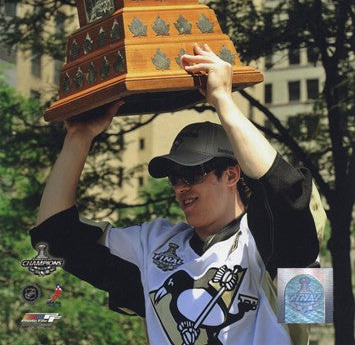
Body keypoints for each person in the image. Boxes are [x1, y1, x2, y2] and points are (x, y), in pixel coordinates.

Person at [30, 43, 325, 344]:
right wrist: (79, 138)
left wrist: (222, 100)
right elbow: (53, 239)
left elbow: (290, 194)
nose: (182, 187)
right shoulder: (153, 245)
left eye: (193, 174)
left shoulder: (268, 242)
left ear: (232, 174)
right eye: (175, 178)